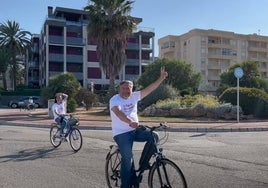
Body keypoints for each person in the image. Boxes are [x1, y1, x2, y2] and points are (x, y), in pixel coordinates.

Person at [109, 67, 168, 188]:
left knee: (154, 136)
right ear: (120, 89)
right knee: (127, 161)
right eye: (124, 88)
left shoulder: (134, 96)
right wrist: (130, 121)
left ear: (132, 88)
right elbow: (118, 113)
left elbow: (150, 89)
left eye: (129, 88)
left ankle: (143, 164)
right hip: (121, 133)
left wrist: (161, 79)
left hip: (135, 130)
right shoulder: (115, 99)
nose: (126, 90)